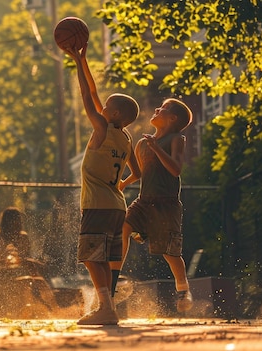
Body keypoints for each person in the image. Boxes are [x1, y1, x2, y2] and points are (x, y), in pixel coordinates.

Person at [67, 44, 141, 325]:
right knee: (102, 259)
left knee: (90, 257)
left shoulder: (101, 128)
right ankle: (106, 307)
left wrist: (77, 62)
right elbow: (138, 172)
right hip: (116, 208)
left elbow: (88, 94)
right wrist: (82, 58)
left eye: (108, 106)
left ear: (115, 115)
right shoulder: (125, 138)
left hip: (98, 205)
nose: (102, 106)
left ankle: (106, 309)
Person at [110, 98, 194, 313]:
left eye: (162, 109)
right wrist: (123, 184)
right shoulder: (141, 144)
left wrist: (157, 148)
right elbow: (139, 174)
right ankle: (112, 284)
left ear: (172, 119)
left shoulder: (177, 139)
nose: (157, 109)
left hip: (166, 204)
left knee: (170, 252)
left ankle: (183, 289)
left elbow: (175, 169)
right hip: (144, 201)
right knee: (122, 229)